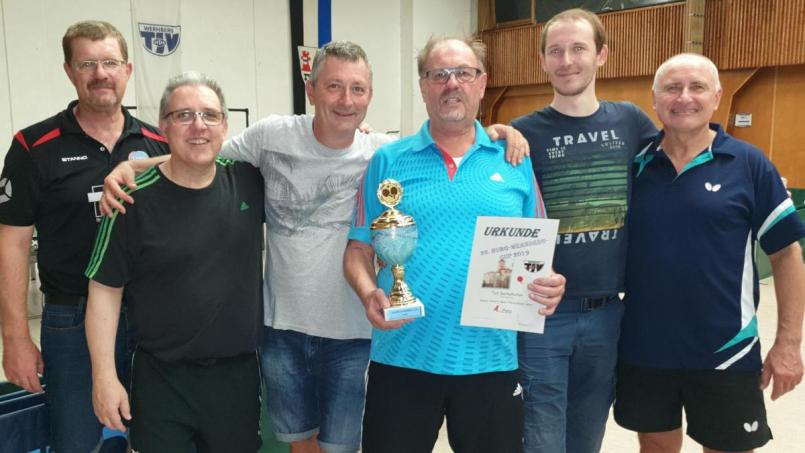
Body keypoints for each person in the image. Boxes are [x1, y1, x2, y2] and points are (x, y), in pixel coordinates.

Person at [99, 40, 529, 453]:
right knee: (298, 441)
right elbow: (199, 151)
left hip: (354, 332)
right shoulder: (271, 137)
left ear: (369, 96)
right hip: (283, 327)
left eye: (357, 88)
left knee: (342, 445)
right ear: (311, 89)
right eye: (333, 86)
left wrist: (495, 132)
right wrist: (132, 165)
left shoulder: (383, 152)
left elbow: (453, 137)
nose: (345, 99)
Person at [343, 35, 566, 453]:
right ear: (423, 86)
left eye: (463, 73)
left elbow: (538, 251)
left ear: (482, 83)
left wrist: (548, 282)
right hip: (403, 355)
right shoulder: (388, 161)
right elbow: (358, 249)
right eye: (438, 74)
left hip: (491, 360)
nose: (451, 84)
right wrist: (368, 291)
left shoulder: (514, 158)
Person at [615, 53, 805, 453]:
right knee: (655, 446)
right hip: (645, 346)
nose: (684, 97)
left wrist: (788, 343)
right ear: (654, 99)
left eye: (697, 87)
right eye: (672, 87)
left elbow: (786, 255)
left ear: (717, 96)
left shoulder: (750, 164)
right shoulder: (634, 166)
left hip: (726, 351)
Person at [0, 20, 169, 452]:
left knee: (156, 436)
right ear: (69, 71)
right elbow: (12, 243)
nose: (100, 74)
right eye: (88, 63)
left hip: (152, 319)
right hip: (70, 321)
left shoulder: (156, 143)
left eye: (110, 62)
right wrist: (16, 337)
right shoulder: (33, 146)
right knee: (78, 441)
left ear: (128, 70)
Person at [85, 71, 265, 452]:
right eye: (183, 116)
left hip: (237, 378)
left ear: (225, 126)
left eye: (209, 115)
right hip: (161, 381)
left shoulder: (249, 181)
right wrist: (104, 376)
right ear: (163, 127)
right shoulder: (129, 203)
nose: (198, 125)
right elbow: (103, 290)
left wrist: (356, 132)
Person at [510, 9, 657, 453]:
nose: (567, 60)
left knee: (587, 437)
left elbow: (678, 163)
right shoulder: (522, 133)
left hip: (608, 314)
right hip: (541, 314)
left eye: (578, 49)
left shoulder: (632, 123)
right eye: (556, 51)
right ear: (542, 61)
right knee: (541, 437)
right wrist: (494, 131)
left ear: (602, 55)